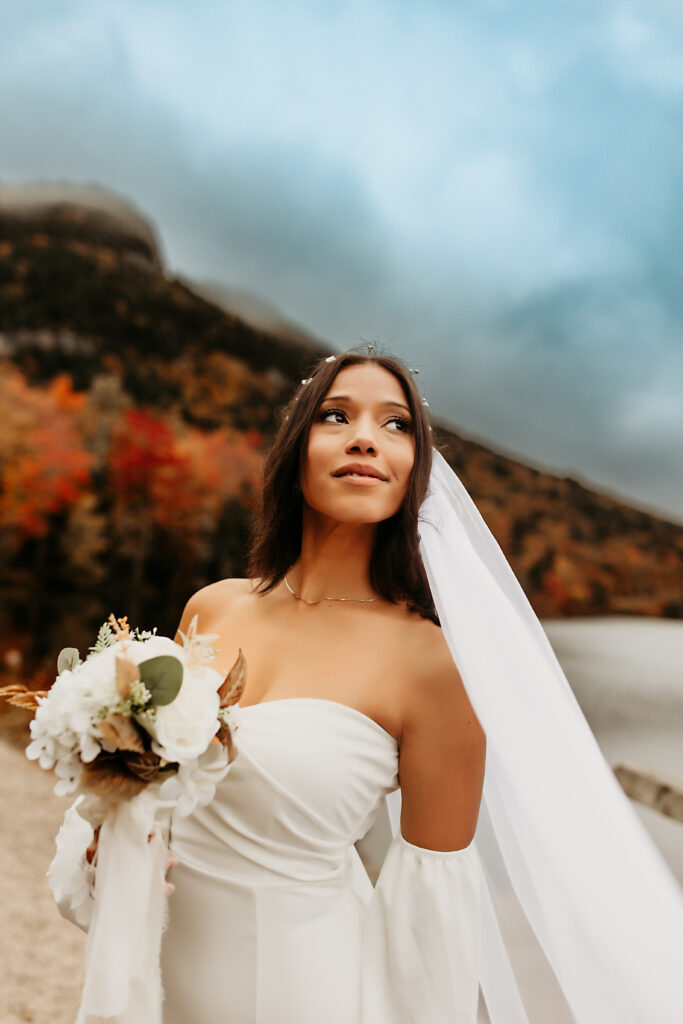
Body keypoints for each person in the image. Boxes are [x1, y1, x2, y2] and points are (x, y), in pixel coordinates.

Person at [55, 347, 683, 1023]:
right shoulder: (214, 607)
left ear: (415, 472)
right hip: (158, 965)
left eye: (395, 424)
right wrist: (108, 841)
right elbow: (155, 789)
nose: (364, 436)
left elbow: (430, 905)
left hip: (300, 989)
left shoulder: (435, 665)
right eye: (335, 415)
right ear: (296, 453)